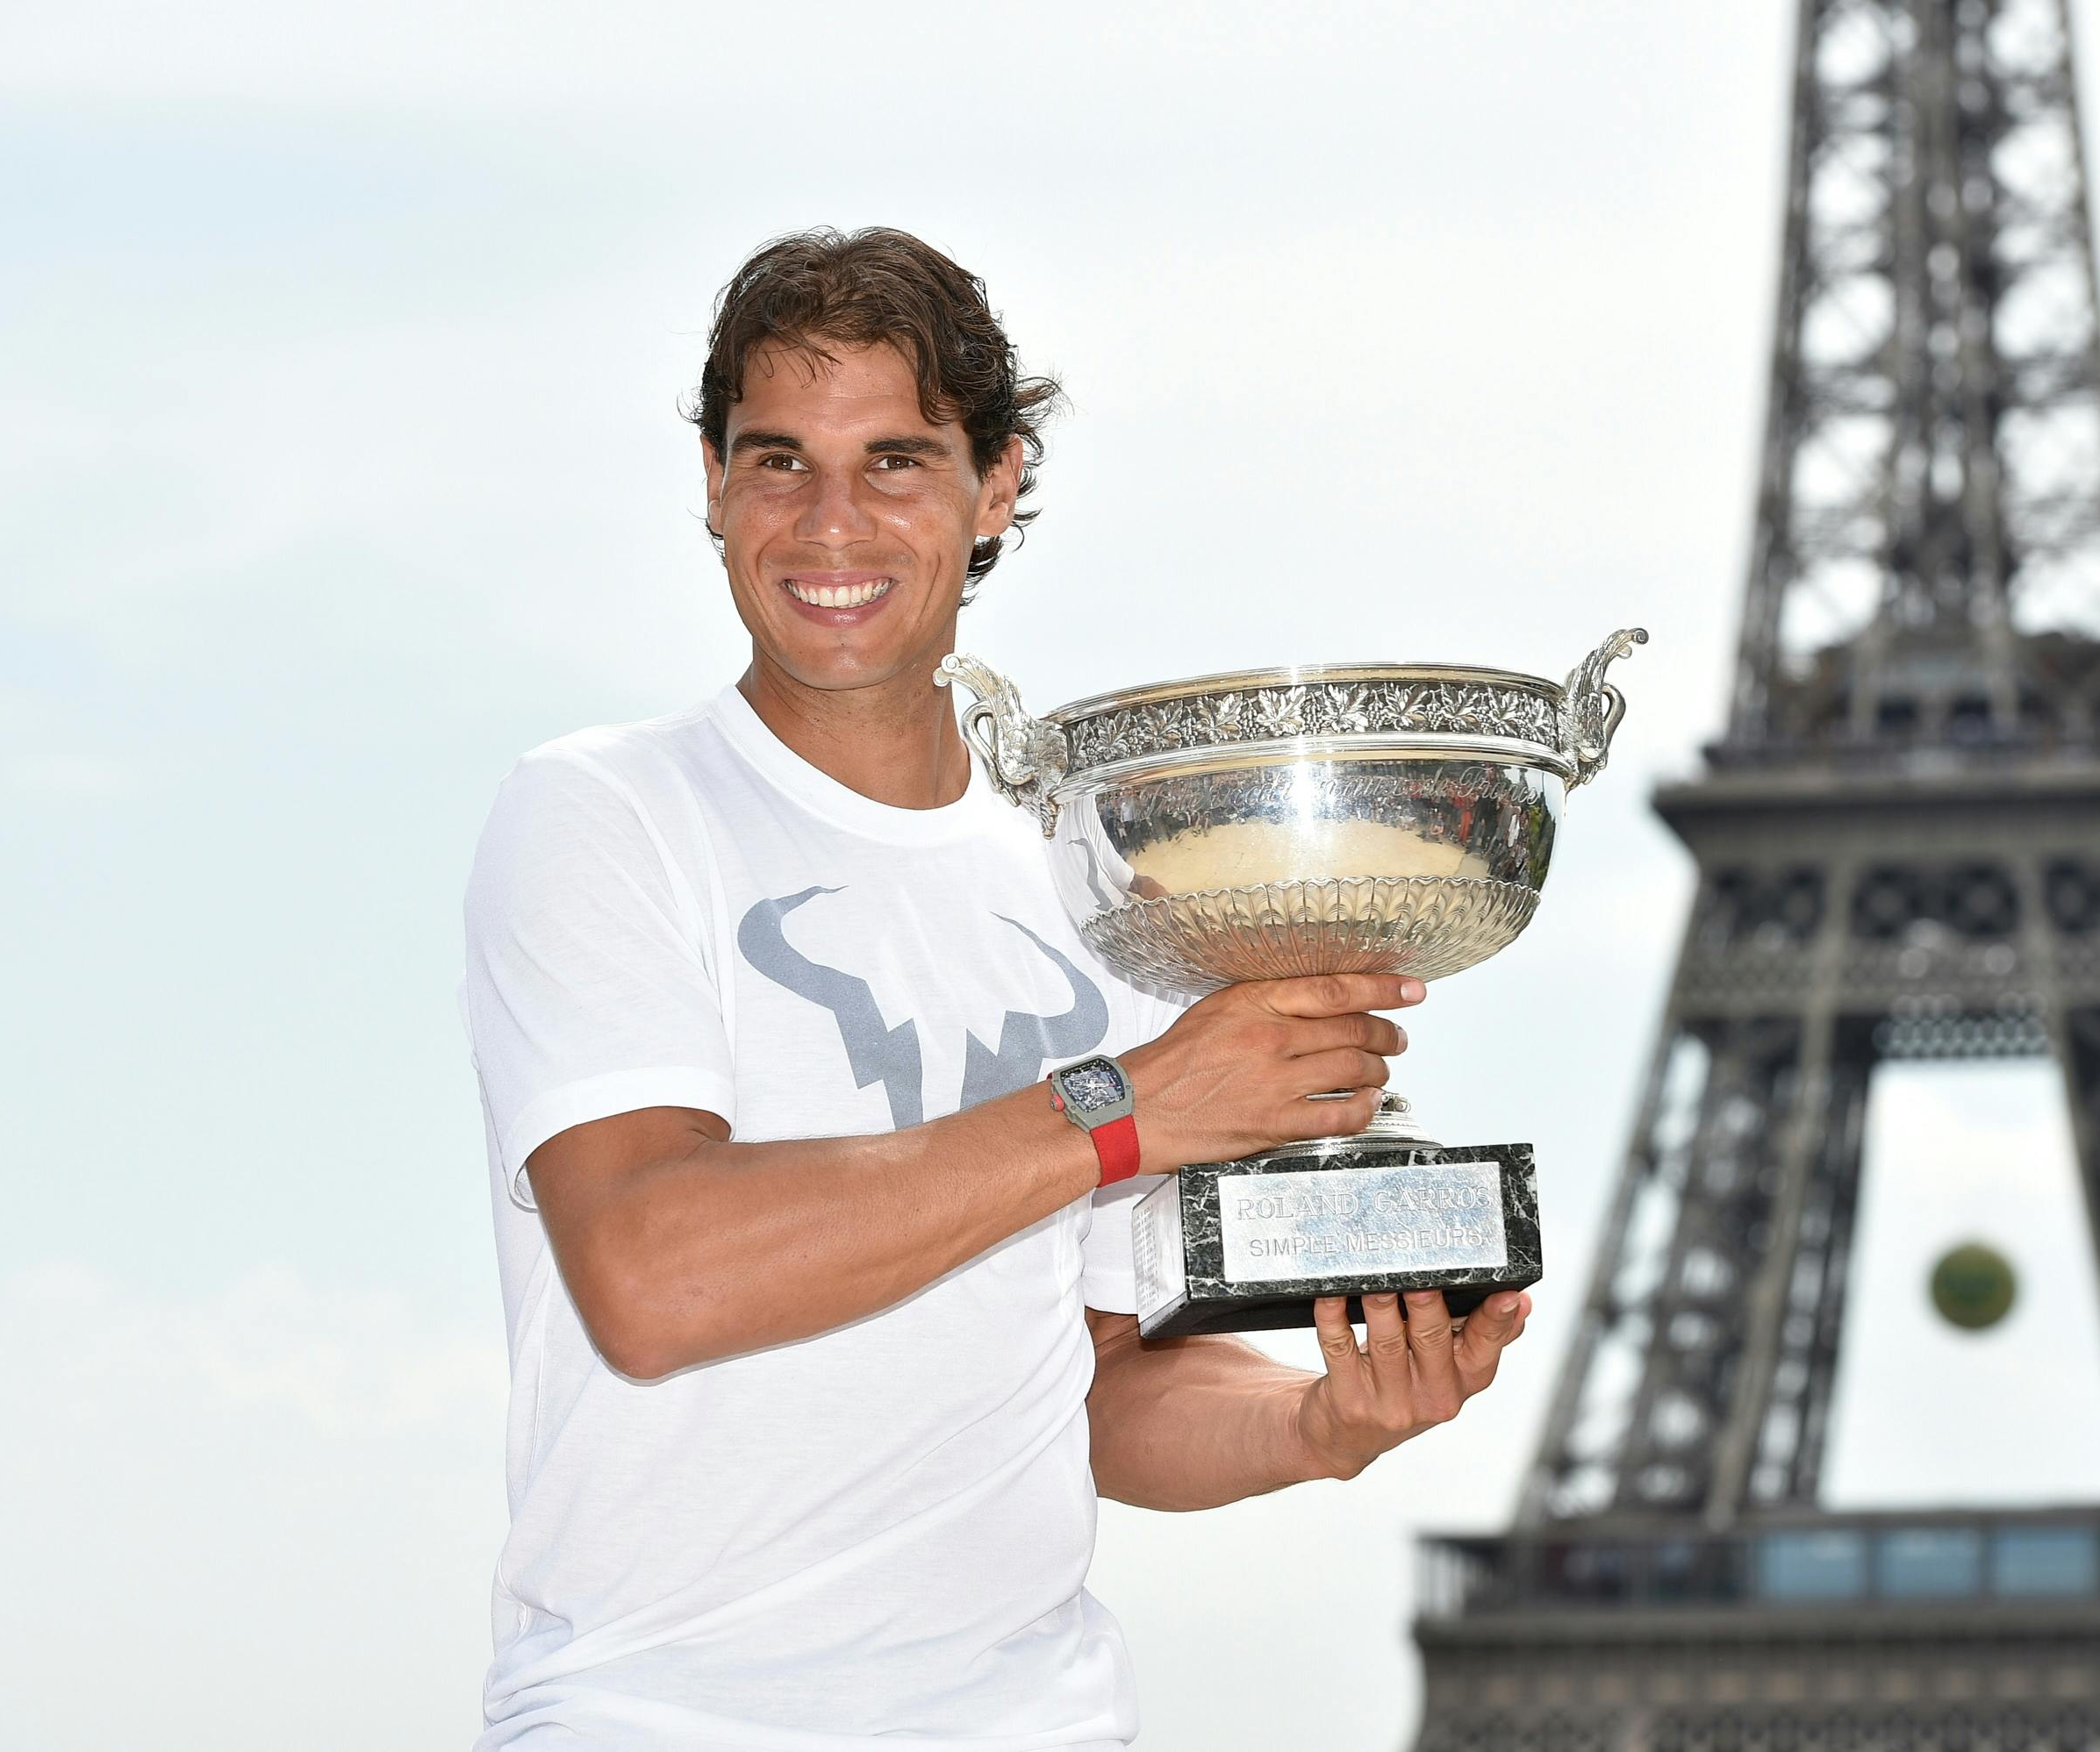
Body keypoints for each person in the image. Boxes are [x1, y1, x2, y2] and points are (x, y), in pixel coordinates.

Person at [459, 225, 1533, 1751]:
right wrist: (1124, 1107)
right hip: (662, 1714)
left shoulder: (1095, 883)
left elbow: (1094, 1378)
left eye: (896, 460)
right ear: (711, 483)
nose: (832, 524)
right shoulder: (604, 814)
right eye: (779, 462)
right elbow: (654, 1272)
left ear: (997, 485)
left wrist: (1316, 1423)